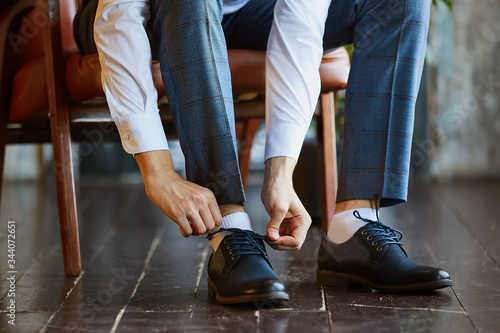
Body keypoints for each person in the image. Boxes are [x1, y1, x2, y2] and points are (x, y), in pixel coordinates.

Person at [91, 0, 452, 305]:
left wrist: (281, 173)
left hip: (245, 11)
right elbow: (118, 21)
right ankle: (228, 230)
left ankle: (352, 226)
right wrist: (159, 172)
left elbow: (300, 23)